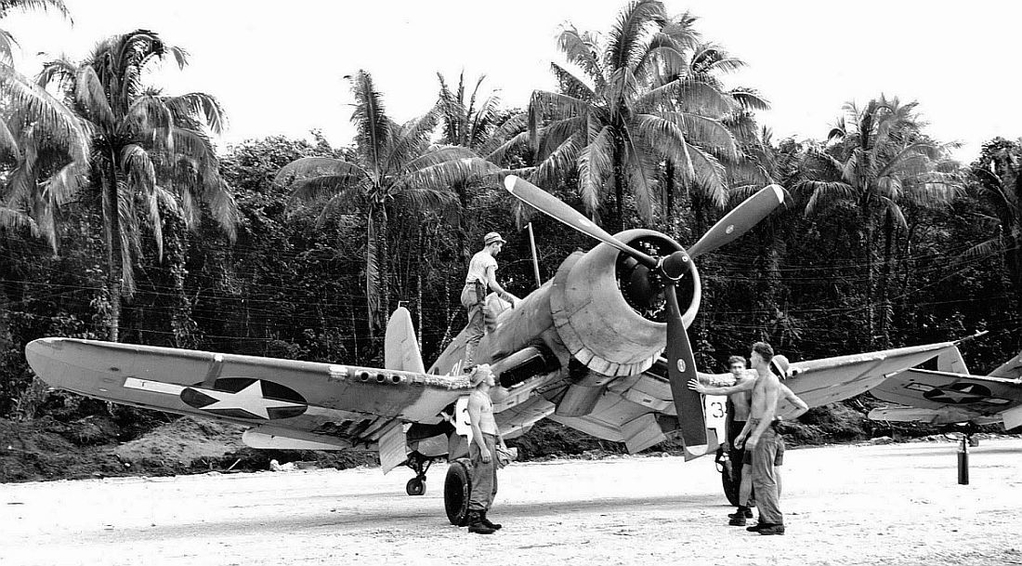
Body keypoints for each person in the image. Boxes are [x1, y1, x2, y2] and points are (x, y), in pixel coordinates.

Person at [690, 343, 808, 535]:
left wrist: (758, 434)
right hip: (757, 431)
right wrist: (702, 390)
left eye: (752, 356)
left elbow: (769, 412)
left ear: (760, 358)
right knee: (757, 477)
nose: (750, 359)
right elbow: (729, 392)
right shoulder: (757, 381)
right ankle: (765, 519)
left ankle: (774, 523)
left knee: (765, 478)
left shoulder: (770, 381)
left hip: (765, 434)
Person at [461, 232, 519, 369]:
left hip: (468, 292)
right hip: (476, 291)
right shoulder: (490, 260)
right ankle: (468, 367)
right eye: (499, 246)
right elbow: (492, 284)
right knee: (476, 331)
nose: (500, 249)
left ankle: (497, 352)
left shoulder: (477, 256)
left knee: (491, 321)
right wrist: (507, 296)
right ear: (494, 245)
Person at [465, 364, 507, 535]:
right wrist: (483, 448)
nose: (493, 376)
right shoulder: (475, 398)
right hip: (482, 440)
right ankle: (474, 520)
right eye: (489, 374)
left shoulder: (485, 396)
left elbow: (492, 421)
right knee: (482, 482)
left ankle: (482, 516)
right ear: (482, 379)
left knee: (491, 483)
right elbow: (474, 425)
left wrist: (500, 441)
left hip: (490, 439)